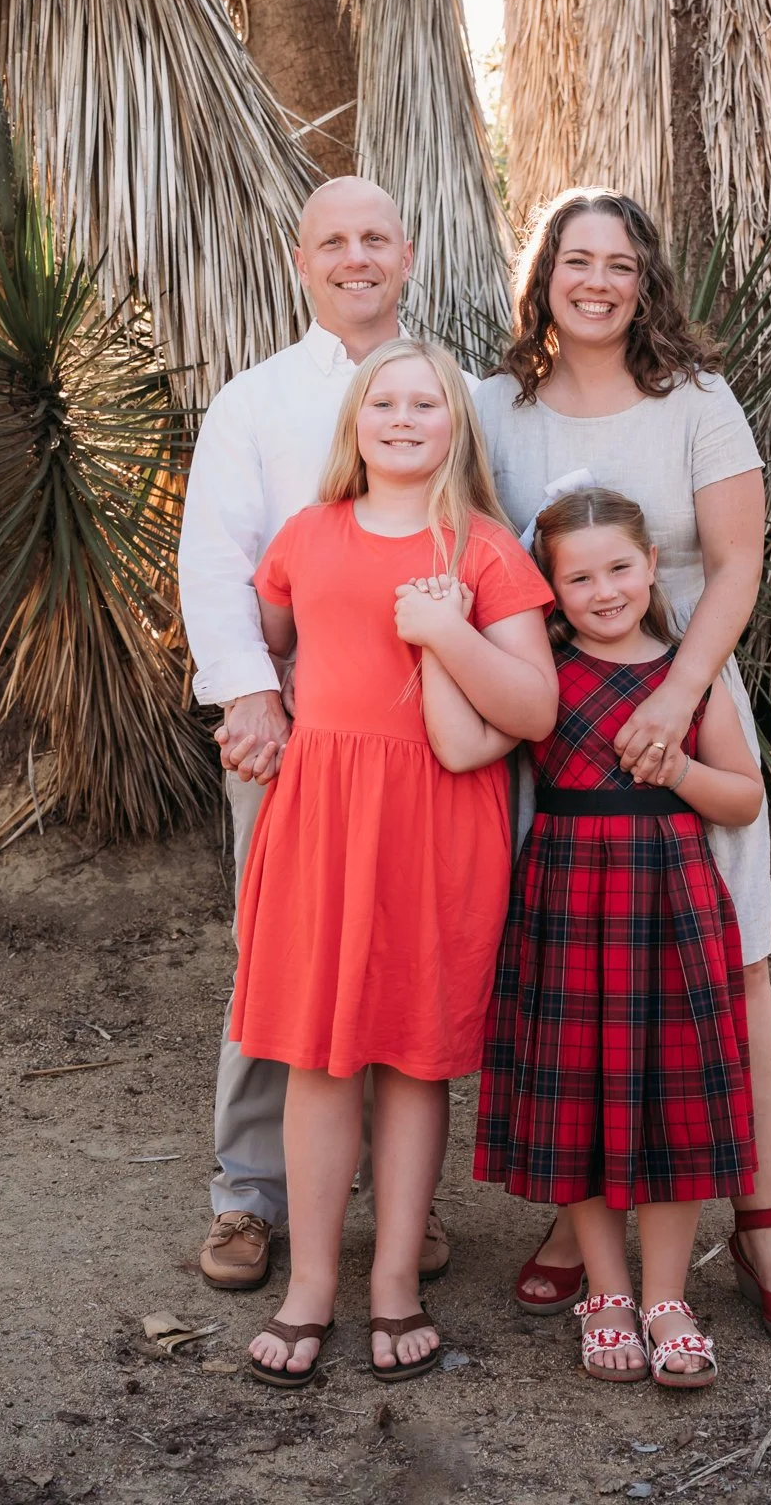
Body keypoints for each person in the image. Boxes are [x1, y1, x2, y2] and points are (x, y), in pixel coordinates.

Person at [474, 189, 771, 1345]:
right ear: (545, 276)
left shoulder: (699, 403)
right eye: (576, 260)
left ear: (646, 281)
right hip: (556, 731)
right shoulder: (496, 411)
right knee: (574, 981)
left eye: (619, 263)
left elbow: (736, 563)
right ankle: (577, 1227)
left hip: (686, 711)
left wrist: (678, 702)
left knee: (737, 968)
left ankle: (762, 1219)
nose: (597, 281)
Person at [232, 340, 557, 1386]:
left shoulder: (488, 549)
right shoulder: (306, 535)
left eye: (428, 403)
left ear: (456, 427)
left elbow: (535, 708)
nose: (406, 417)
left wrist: (446, 635)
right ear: (356, 423)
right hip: (324, 815)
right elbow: (277, 637)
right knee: (322, 1055)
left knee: (416, 1057)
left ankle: (396, 1284)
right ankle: (312, 1285)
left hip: (433, 820)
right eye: (387, 402)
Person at [178, 177, 455, 1295]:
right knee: (277, 954)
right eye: (333, 241)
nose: (356, 257)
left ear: (409, 253)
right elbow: (215, 557)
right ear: (303, 262)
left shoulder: (452, 390)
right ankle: (250, 1195)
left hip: (433, 735)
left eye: (375, 238)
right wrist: (249, 692)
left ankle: (401, 1205)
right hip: (295, 729)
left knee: (406, 957)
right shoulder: (254, 402)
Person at [474, 488, 763, 1387]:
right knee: (580, 1101)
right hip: (564, 902)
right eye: (579, 576)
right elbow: (462, 744)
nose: (604, 591)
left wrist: (677, 765)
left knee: (668, 1097)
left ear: (651, 567)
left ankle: (668, 1298)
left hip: (669, 902)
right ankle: (606, 1293)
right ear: (549, 588)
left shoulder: (689, 678)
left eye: (620, 568)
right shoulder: (541, 681)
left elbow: (744, 798)